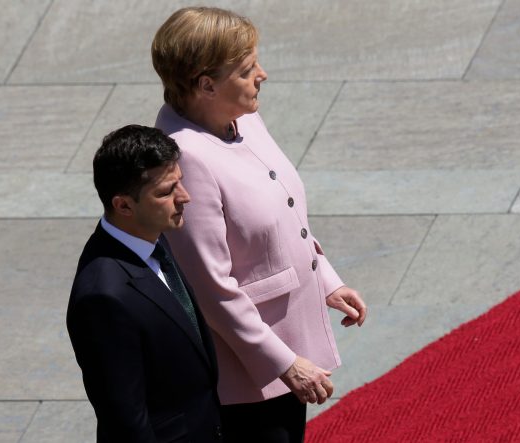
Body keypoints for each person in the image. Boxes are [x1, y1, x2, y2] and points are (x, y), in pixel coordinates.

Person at [152, 7, 368, 442]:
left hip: (288, 346)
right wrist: (283, 362)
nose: (262, 75)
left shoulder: (243, 118)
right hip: (249, 374)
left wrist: (326, 280)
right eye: (247, 68)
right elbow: (209, 286)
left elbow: (284, 213)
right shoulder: (186, 158)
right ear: (206, 84)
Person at [66, 125, 223, 442]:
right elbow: (126, 420)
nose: (185, 197)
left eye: (180, 182)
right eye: (166, 192)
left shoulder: (153, 237)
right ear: (123, 205)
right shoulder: (103, 297)